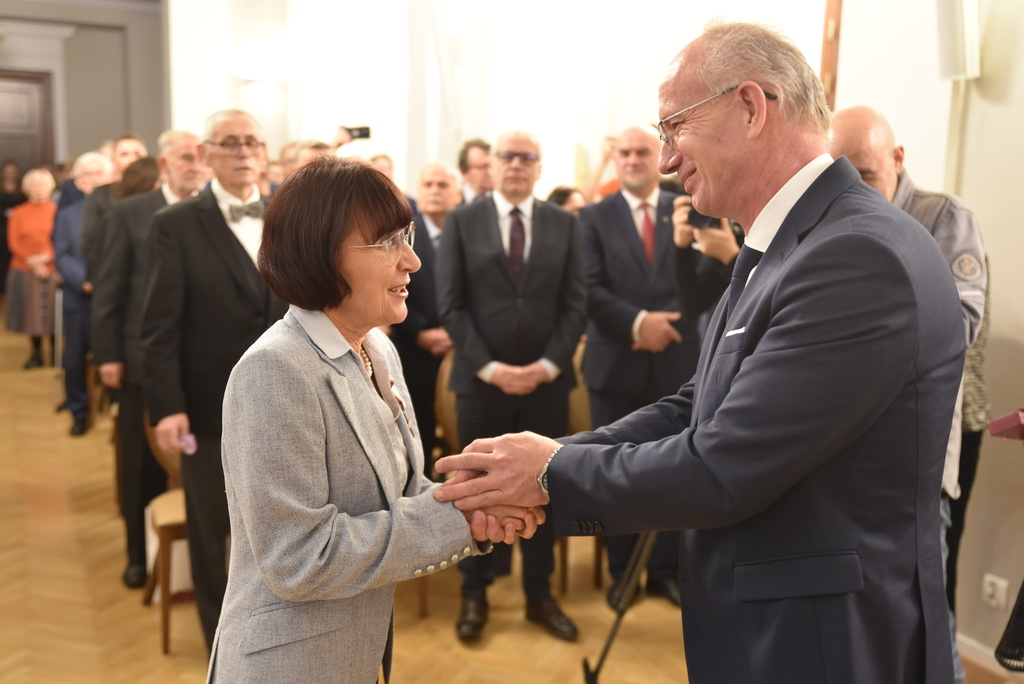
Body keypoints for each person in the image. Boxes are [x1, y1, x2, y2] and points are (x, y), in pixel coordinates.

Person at [434, 22, 966, 683]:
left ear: (750, 107)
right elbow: (699, 404)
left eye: (674, 127)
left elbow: (724, 464)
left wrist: (548, 476)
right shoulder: (788, 243)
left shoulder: (855, 255)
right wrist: (554, 457)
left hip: (824, 641)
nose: (664, 160)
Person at [207, 156, 538, 683]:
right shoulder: (275, 370)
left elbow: (401, 495)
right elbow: (299, 557)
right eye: (387, 243)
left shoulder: (378, 349)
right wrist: (461, 515)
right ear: (320, 255)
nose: (413, 261)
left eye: (407, 237)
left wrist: (479, 498)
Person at [830, 104, 988, 684]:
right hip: (851, 460)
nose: (853, 190)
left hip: (918, 458)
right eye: (840, 177)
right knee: (874, 621)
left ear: (897, 158)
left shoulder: (942, 217)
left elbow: (958, 326)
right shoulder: (834, 217)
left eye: (866, 175)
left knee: (928, 617)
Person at [141, 110, 287, 650]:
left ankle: (275, 630)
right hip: (208, 406)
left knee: (280, 521)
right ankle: (221, 646)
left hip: (286, 399)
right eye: (230, 143)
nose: (243, 152)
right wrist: (167, 406)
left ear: (264, 152)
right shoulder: (175, 224)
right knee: (212, 531)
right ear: (206, 154)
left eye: (252, 142)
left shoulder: (287, 215)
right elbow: (159, 326)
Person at [437, 129, 585, 642]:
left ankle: (539, 596)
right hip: (482, 385)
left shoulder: (564, 223)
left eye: (527, 157)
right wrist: (491, 369)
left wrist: (545, 367)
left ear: (539, 167)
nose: (517, 164)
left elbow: (576, 305)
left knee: (544, 491)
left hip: (546, 385)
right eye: (508, 156)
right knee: (477, 490)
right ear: (493, 165)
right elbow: (451, 305)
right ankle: (474, 594)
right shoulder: (462, 220)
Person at [579, 125, 693, 607]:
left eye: (641, 151)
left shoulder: (688, 205)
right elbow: (587, 286)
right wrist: (639, 322)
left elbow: (706, 278)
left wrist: (667, 324)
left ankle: (664, 571)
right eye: (623, 152)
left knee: (674, 474)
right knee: (614, 476)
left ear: (659, 155)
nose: (631, 159)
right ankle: (622, 574)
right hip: (615, 366)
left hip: (677, 362)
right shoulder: (592, 216)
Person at [92, 130, 207, 588]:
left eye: (201, 157)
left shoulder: (211, 211)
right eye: (185, 157)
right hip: (141, 359)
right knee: (140, 464)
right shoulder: (130, 213)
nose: (195, 165)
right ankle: (138, 555)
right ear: (164, 163)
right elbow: (110, 287)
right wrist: (108, 353)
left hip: (201, 361)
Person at [391, 162, 459, 474]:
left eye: (442, 185)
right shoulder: (402, 233)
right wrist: (418, 332)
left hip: (461, 351)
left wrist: (457, 333)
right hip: (414, 350)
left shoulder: (468, 232)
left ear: (457, 193)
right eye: (428, 185)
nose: (434, 191)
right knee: (418, 434)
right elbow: (389, 286)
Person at [4, 168, 58, 369]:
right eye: (34, 185)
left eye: (42, 184)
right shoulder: (17, 213)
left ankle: (55, 354)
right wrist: (34, 262)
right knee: (31, 314)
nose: (38, 188)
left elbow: (62, 239)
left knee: (52, 313)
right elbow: (13, 243)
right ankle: (36, 354)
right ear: (26, 188)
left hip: (53, 267)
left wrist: (46, 258)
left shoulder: (58, 211)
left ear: (50, 187)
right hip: (24, 269)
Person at [80, 134, 147, 280]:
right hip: (110, 276)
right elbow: (90, 242)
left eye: (137, 154)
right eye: (124, 154)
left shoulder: (156, 193)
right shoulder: (101, 195)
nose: (132, 159)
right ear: (113, 160)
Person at [1, 160, 27, 294]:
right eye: (7, 172)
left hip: (18, 233)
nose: (10, 175)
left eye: (13, 172)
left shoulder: (23, 192)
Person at [456, 138, 492, 204]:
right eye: (484, 167)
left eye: (492, 166)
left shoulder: (501, 200)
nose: (490, 172)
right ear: (463, 171)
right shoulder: (453, 200)